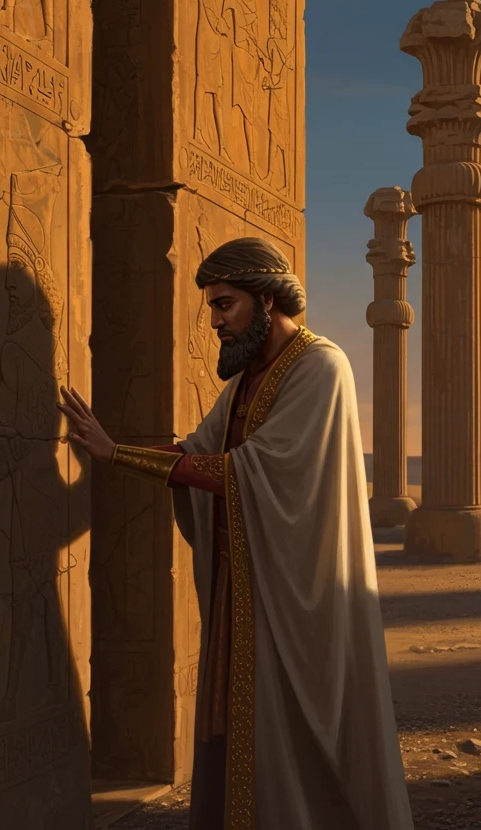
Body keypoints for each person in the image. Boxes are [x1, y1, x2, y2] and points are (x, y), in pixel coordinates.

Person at [58, 237, 413, 829]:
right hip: (247, 591)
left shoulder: (321, 366)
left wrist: (116, 453)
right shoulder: (247, 383)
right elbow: (194, 454)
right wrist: (116, 449)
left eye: (225, 305)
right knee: (241, 728)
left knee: (305, 731)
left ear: (267, 298)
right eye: (213, 309)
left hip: (302, 599)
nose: (217, 322)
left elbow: (251, 471)